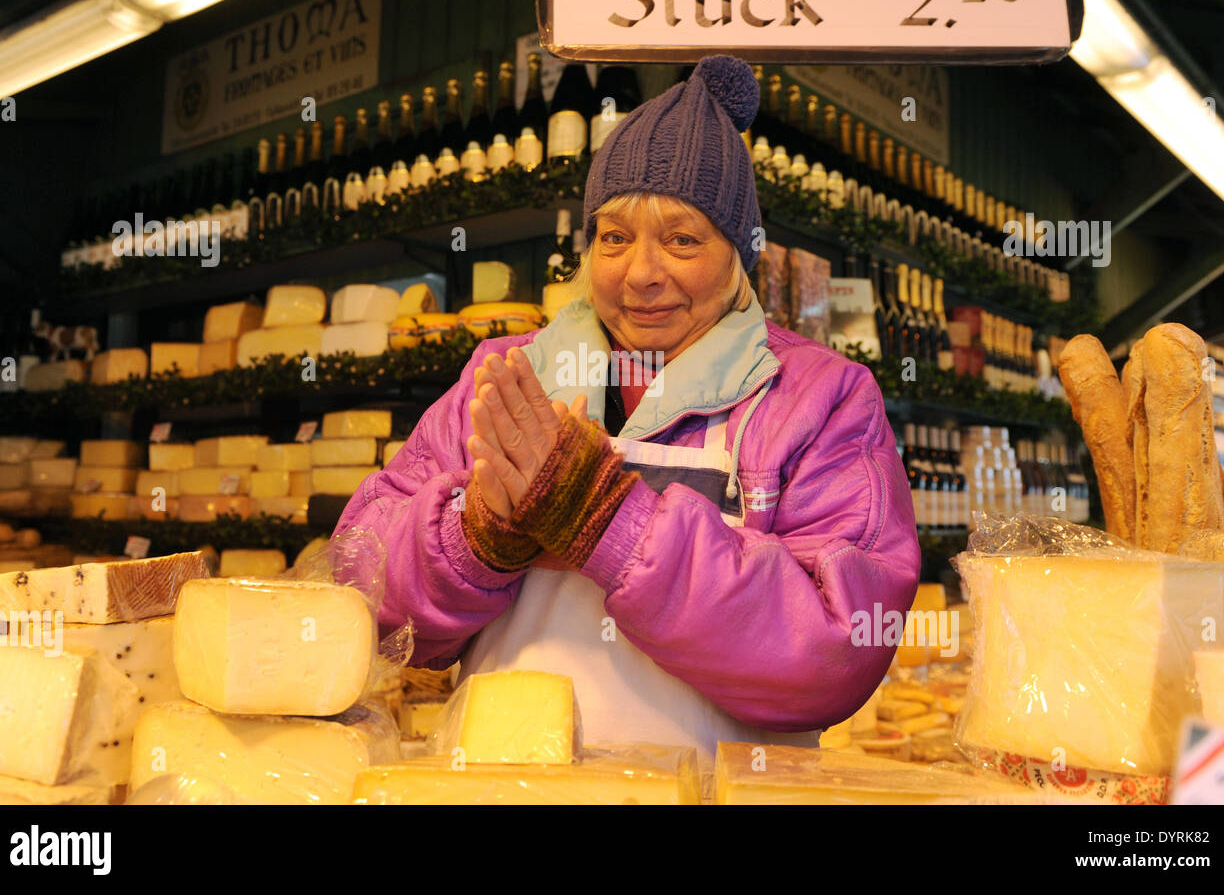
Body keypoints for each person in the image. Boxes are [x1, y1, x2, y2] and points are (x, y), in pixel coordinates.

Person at [336, 55, 920, 757]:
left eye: (681, 239)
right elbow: (359, 584)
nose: (642, 273)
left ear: (736, 253)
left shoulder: (820, 397)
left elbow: (841, 648)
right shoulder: (507, 375)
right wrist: (475, 539)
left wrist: (611, 524)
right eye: (614, 237)